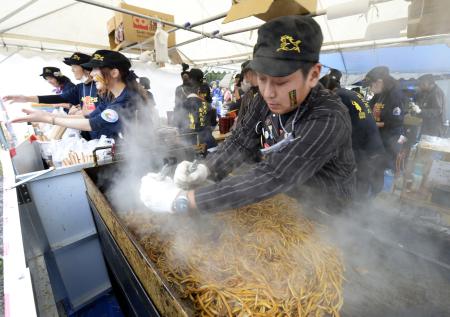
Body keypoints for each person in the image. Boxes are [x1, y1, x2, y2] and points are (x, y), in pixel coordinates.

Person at [140, 15, 355, 215]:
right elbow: (241, 140)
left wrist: (183, 201)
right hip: (287, 200)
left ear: (313, 75)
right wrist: (207, 168)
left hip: (326, 213)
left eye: (281, 82)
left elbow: (275, 175)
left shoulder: (328, 116)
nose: (269, 93)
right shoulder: (263, 97)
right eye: (262, 79)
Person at [11, 50, 149, 140]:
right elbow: (88, 116)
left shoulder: (126, 100)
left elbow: (92, 123)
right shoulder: (110, 98)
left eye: (95, 69)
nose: (92, 73)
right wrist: (47, 116)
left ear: (114, 73)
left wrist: (48, 119)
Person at [320, 69, 385, 198]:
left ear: (327, 89)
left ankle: (355, 210)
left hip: (363, 148)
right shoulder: (350, 94)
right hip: (373, 144)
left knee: (358, 184)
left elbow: (334, 125)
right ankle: (362, 207)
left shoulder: (337, 97)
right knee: (365, 181)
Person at [3, 52, 99, 138]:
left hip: (105, 134)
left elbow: (98, 113)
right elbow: (58, 98)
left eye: (74, 67)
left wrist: (48, 117)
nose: (72, 70)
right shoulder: (80, 87)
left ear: (85, 68)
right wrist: (26, 98)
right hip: (92, 134)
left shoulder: (100, 87)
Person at [365, 66, 407, 173]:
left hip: (392, 138)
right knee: (377, 164)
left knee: (386, 166)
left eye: (370, 85)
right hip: (381, 136)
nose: (370, 88)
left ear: (379, 82)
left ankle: (385, 186)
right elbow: (369, 107)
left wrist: (375, 124)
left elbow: (396, 121)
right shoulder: (380, 93)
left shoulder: (395, 95)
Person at [235, 60, 259, 126]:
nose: (245, 78)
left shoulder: (262, 94)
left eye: (246, 74)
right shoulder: (248, 94)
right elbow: (241, 117)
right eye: (244, 75)